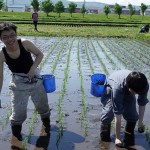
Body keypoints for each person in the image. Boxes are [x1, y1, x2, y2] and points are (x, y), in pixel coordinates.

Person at [0, 22, 50, 141]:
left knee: (43, 107)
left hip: (35, 79)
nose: (10, 39)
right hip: (18, 84)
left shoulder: (24, 43)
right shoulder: (2, 54)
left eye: (12, 35)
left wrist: (32, 69)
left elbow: (39, 54)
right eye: (5, 37)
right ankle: (16, 138)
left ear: (16, 34)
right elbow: (0, 76)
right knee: (18, 114)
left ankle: (46, 126)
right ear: (0, 38)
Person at [100, 70, 149, 148]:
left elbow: (142, 103)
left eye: (138, 93)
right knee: (108, 114)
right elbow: (117, 114)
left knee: (132, 115)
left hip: (129, 88)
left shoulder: (143, 85)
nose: (136, 94)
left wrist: (140, 122)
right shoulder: (117, 88)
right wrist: (117, 138)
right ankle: (104, 138)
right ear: (129, 87)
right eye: (135, 92)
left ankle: (129, 135)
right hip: (112, 87)